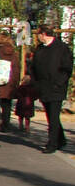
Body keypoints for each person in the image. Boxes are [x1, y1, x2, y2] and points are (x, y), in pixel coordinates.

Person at [28, 25, 72, 153]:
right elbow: (34, 67)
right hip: (43, 87)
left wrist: (58, 83)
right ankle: (61, 139)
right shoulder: (40, 49)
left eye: (38, 34)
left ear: (43, 34)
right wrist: (35, 82)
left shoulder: (61, 48)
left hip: (56, 88)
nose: (37, 37)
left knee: (53, 117)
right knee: (50, 116)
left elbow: (67, 68)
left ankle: (52, 144)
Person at [0, 32, 21, 131]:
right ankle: (6, 124)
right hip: (9, 83)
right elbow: (17, 69)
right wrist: (15, 83)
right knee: (7, 105)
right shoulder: (14, 53)